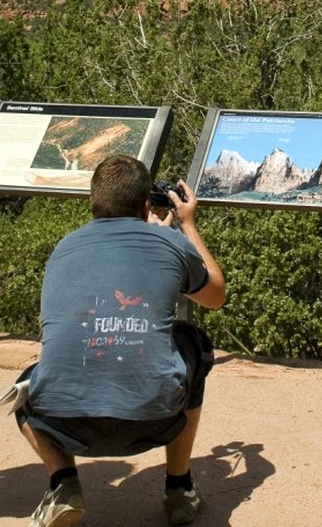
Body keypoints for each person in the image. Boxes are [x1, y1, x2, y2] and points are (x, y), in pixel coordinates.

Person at [15, 154, 227, 527]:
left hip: (63, 425)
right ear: (147, 204)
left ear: (93, 201)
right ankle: (179, 487)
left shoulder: (64, 248)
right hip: (155, 419)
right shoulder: (168, 243)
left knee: (30, 381)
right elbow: (215, 295)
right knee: (194, 342)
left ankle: (62, 483)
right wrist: (186, 225)